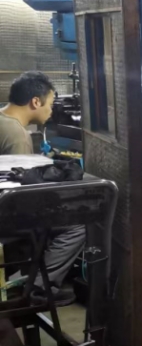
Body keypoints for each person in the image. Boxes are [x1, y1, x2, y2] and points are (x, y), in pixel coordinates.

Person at [0, 72, 84, 303]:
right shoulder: (17, 135)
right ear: (36, 102)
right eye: (50, 104)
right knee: (76, 226)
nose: (51, 111)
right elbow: (21, 195)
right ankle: (37, 290)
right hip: (5, 218)